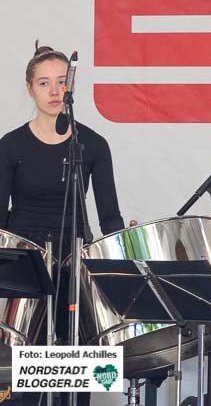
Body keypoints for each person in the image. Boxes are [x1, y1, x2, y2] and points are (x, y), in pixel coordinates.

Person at [0, 45, 125, 405]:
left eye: (61, 82)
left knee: (76, 369)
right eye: (44, 83)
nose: (54, 91)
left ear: (72, 86)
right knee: (24, 373)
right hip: (26, 268)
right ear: (30, 89)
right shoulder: (10, 146)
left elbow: (110, 217)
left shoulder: (93, 145)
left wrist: (118, 267)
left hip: (75, 261)